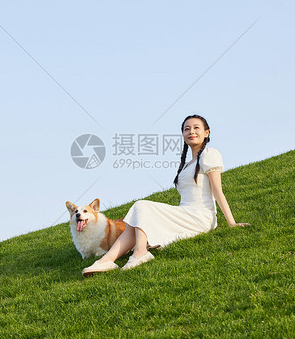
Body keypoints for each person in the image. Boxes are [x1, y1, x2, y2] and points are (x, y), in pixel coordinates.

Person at [82, 114, 250, 277]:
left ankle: (140, 253)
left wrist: (231, 222)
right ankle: (106, 260)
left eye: (196, 128)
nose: (191, 131)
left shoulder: (209, 154)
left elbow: (217, 191)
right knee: (137, 219)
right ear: (183, 134)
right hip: (185, 212)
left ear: (206, 132)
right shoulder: (187, 164)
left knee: (141, 206)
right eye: (186, 129)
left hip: (200, 216)